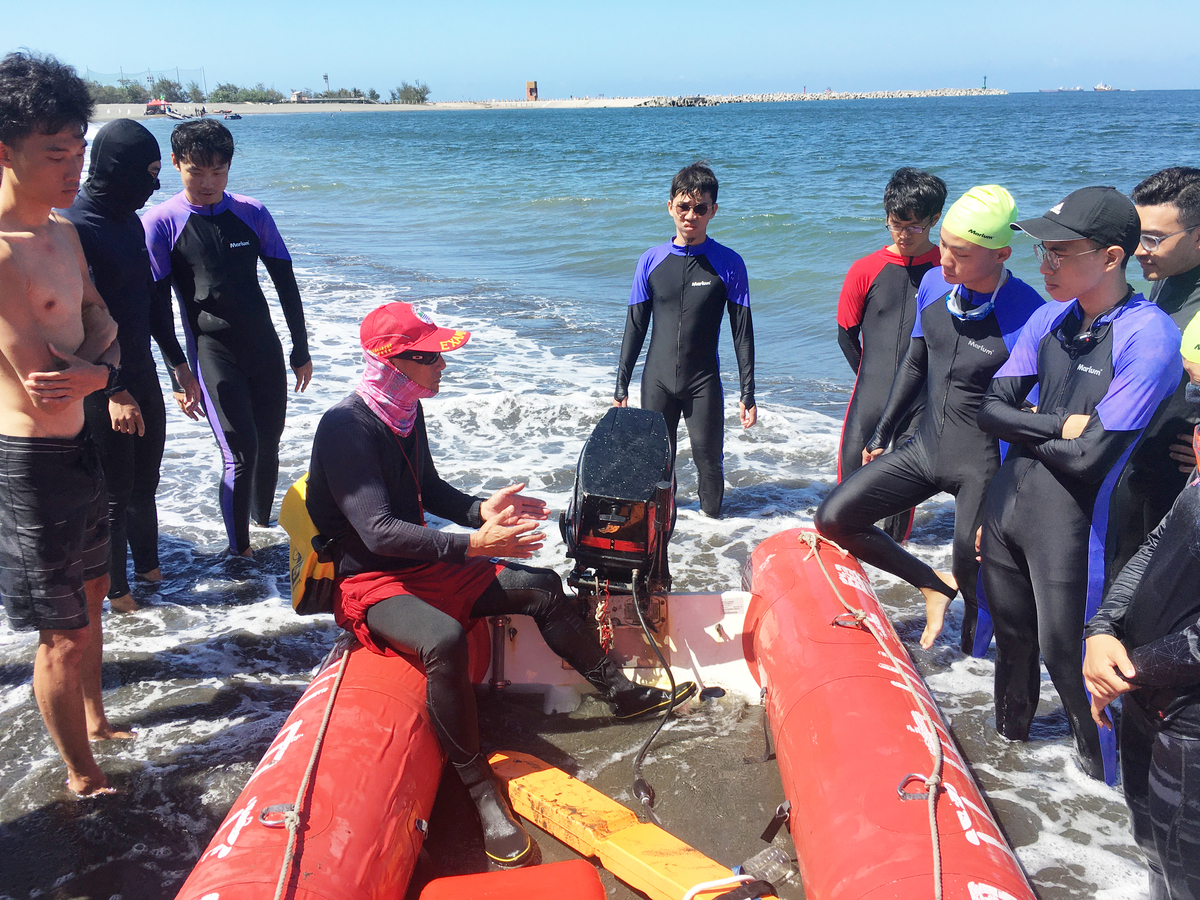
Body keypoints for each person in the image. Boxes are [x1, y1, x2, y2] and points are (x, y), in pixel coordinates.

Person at [306, 302, 696, 868]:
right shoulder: (347, 427)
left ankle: (621, 691)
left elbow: (430, 489)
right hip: (370, 577)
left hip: (418, 563)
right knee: (442, 640)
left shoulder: (402, 412)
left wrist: (478, 509)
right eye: (432, 356)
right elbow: (378, 531)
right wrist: (473, 544)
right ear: (396, 363)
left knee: (539, 586)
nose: (443, 364)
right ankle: (481, 794)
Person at [978, 186, 1182, 783]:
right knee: (1011, 646)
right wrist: (1052, 424)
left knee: (1070, 664)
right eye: (1041, 251)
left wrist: (1033, 427)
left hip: (1077, 530)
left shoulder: (1148, 336)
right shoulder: (1049, 318)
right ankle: (1008, 781)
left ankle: (1102, 796)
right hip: (1009, 507)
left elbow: (1090, 456)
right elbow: (988, 407)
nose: (1043, 266)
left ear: (1112, 257)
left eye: (1059, 253)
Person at [816, 186, 1043, 654]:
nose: (944, 259)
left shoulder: (1032, 312)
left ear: (1001, 253)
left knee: (974, 571)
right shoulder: (936, 285)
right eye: (944, 244)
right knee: (835, 516)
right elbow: (916, 363)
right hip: (924, 447)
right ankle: (931, 585)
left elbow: (1032, 417)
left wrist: (1011, 499)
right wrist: (882, 432)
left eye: (959, 253)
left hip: (982, 467)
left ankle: (970, 670)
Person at [0, 51, 127, 796]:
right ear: (5, 151)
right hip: (29, 461)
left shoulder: (63, 233)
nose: (74, 170)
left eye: (79, 152)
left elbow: (100, 320)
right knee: (62, 633)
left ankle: (99, 721)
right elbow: (44, 380)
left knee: (94, 595)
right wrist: (99, 365)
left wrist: (99, 370)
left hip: (80, 445)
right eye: (56, 155)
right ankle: (82, 775)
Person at [142, 118, 311, 557]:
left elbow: (285, 282)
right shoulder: (161, 223)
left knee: (269, 444)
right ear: (176, 164)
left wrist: (301, 347)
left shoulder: (252, 213)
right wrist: (178, 371)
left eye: (218, 172)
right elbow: (156, 307)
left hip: (264, 345)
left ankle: (264, 527)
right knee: (240, 452)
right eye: (196, 171)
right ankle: (240, 554)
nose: (207, 182)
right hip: (211, 350)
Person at [61, 119, 201, 612]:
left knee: (147, 482)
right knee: (114, 492)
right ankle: (117, 593)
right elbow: (80, 323)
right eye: (149, 172)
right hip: (105, 383)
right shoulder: (74, 228)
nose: (155, 184)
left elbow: (151, 301)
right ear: (118, 170)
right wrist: (113, 388)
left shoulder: (128, 223)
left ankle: (150, 569)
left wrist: (178, 363)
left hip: (141, 372)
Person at [1083, 335, 1200, 897]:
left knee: (1186, 873)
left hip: (1189, 717)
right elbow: (1155, 547)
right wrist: (1103, 630)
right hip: (1147, 696)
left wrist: (1130, 669)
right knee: (1152, 849)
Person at [613, 162, 755, 518]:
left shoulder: (729, 264)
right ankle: (663, 538)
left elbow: (742, 332)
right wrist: (621, 385)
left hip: (703, 382)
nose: (691, 215)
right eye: (684, 206)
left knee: (709, 461)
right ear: (670, 207)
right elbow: (635, 326)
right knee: (657, 465)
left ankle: (713, 534)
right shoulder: (650, 261)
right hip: (656, 379)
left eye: (700, 208)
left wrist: (748, 393)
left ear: (713, 211)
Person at [835, 168, 946, 540]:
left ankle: (894, 581)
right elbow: (845, 334)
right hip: (870, 393)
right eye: (896, 224)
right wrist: (868, 373)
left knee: (900, 502)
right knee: (845, 496)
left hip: (921, 400)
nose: (903, 235)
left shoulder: (947, 273)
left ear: (935, 219)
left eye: (914, 227)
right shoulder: (865, 270)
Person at [1106, 167, 1200, 576]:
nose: (1138, 250)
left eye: (1154, 239)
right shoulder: (1167, 277)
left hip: (1179, 485)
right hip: (1140, 467)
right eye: (1136, 236)